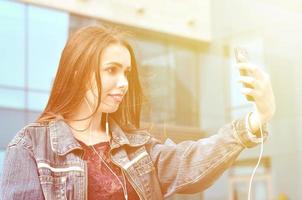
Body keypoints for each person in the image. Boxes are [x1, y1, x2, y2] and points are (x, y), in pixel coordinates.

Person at [0, 25, 275, 200]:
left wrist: (257, 118)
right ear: (78, 72)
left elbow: (191, 161)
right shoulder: (30, 147)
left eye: (127, 72)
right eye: (112, 70)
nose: (124, 83)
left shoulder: (137, 148)